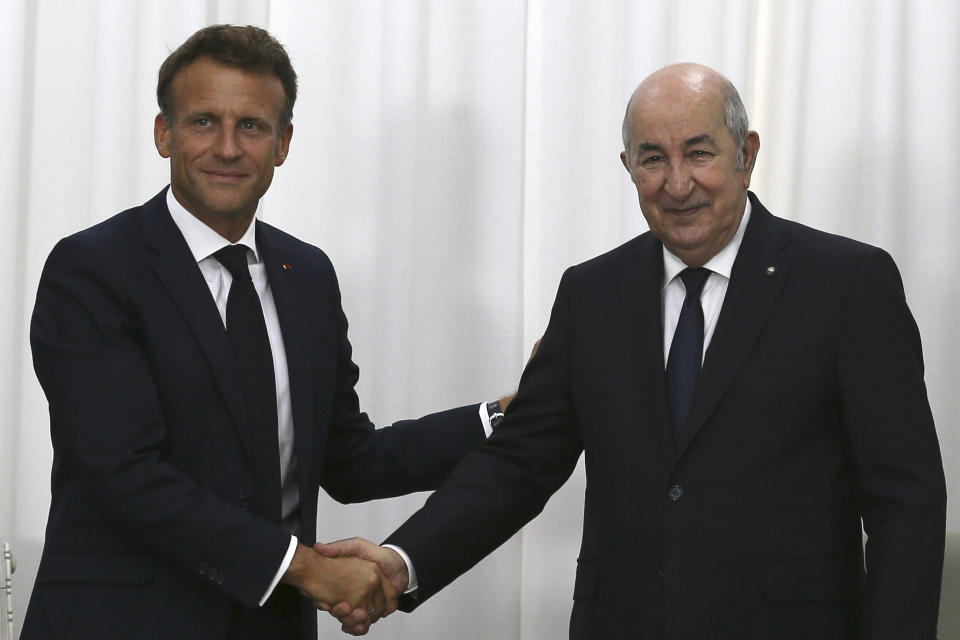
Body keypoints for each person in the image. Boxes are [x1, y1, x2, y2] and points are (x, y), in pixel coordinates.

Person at [318, 63, 947, 638]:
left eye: (699, 152)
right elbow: (518, 463)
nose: (677, 184)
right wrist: (402, 563)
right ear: (627, 166)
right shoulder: (592, 294)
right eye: (652, 159)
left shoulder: (846, 283)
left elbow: (905, 501)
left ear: (746, 155)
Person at [21, 24, 514, 640]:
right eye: (203, 121)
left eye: (251, 126)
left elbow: (352, 459)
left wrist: (500, 415)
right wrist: (304, 568)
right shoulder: (92, 268)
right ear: (162, 133)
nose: (227, 147)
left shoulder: (306, 274)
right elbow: (125, 473)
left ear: (282, 143)